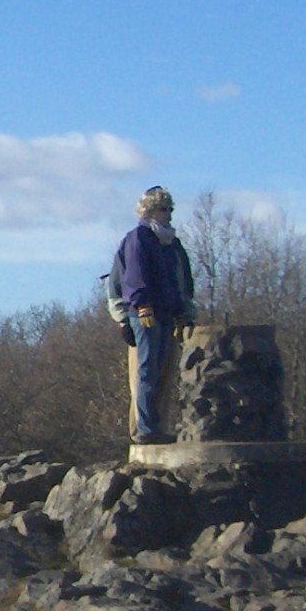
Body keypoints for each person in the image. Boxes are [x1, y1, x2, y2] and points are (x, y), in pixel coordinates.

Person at [112, 185, 196, 444]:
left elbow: (182, 279)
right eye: (163, 209)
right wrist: (140, 306)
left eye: (170, 209)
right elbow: (135, 275)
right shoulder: (139, 238)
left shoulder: (171, 243)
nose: (169, 214)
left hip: (167, 313)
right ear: (150, 210)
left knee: (163, 371)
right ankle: (146, 429)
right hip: (146, 313)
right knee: (146, 370)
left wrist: (184, 309)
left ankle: (156, 425)